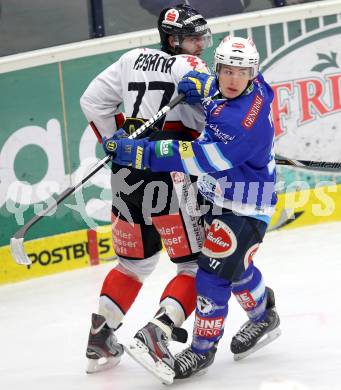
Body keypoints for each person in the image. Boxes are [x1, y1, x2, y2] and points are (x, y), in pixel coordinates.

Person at [104, 35, 281, 383]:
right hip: (225, 194)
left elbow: (197, 158)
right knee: (234, 266)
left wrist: (142, 153)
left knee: (212, 273)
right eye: (226, 71)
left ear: (252, 73)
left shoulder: (240, 122)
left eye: (240, 73)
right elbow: (217, 92)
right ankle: (263, 317)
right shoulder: (250, 86)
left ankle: (202, 350)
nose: (232, 79)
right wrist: (203, 85)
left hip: (245, 204)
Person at [80, 4, 212, 374]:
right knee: (195, 266)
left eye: (203, 36)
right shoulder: (190, 66)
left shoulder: (132, 57)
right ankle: (158, 333)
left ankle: (101, 336)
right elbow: (209, 123)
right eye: (193, 37)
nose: (200, 44)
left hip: (127, 174)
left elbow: (91, 102)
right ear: (173, 40)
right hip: (169, 171)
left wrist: (116, 139)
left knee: (132, 264)